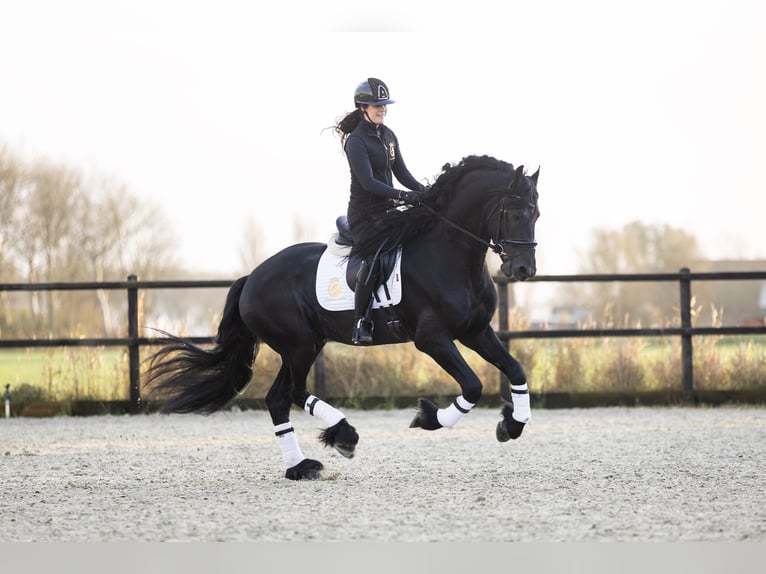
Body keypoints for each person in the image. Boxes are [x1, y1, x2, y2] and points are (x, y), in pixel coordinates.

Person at [333, 77, 425, 345]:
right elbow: (369, 183)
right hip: (364, 217)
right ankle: (361, 321)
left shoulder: (388, 135)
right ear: (363, 107)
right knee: (373, 258)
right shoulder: (356, 141)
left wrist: (427, 192)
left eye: (384, 105)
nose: (382, 109)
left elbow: (402, 172)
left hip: (387, 212)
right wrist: (404, 195)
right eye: (376, 105)